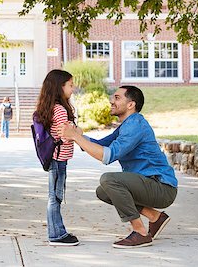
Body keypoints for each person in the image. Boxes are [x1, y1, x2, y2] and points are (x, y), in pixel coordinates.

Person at [57, 85, 178, 249]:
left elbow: (107, 155)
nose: (111, 101)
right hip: (148, 184)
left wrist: (76, 137)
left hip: (161, 186)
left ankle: (140, 232)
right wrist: (78, 136)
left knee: (109, 180)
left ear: (131, 105)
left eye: (117, 98)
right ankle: (155, 217)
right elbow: (100, 145)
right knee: (103, 191)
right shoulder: (126, 125)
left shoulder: (135, 125)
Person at [35, 69, 79, 246]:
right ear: (59, 87)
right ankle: (56, 234)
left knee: (55, 196)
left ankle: (58, 230)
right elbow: (67, 135)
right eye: (70, 85)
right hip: (58, 159)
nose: (72, 89)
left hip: (56, 157)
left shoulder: (50, 107)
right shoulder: (60, 110)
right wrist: (77, 132)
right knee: (55, 197)